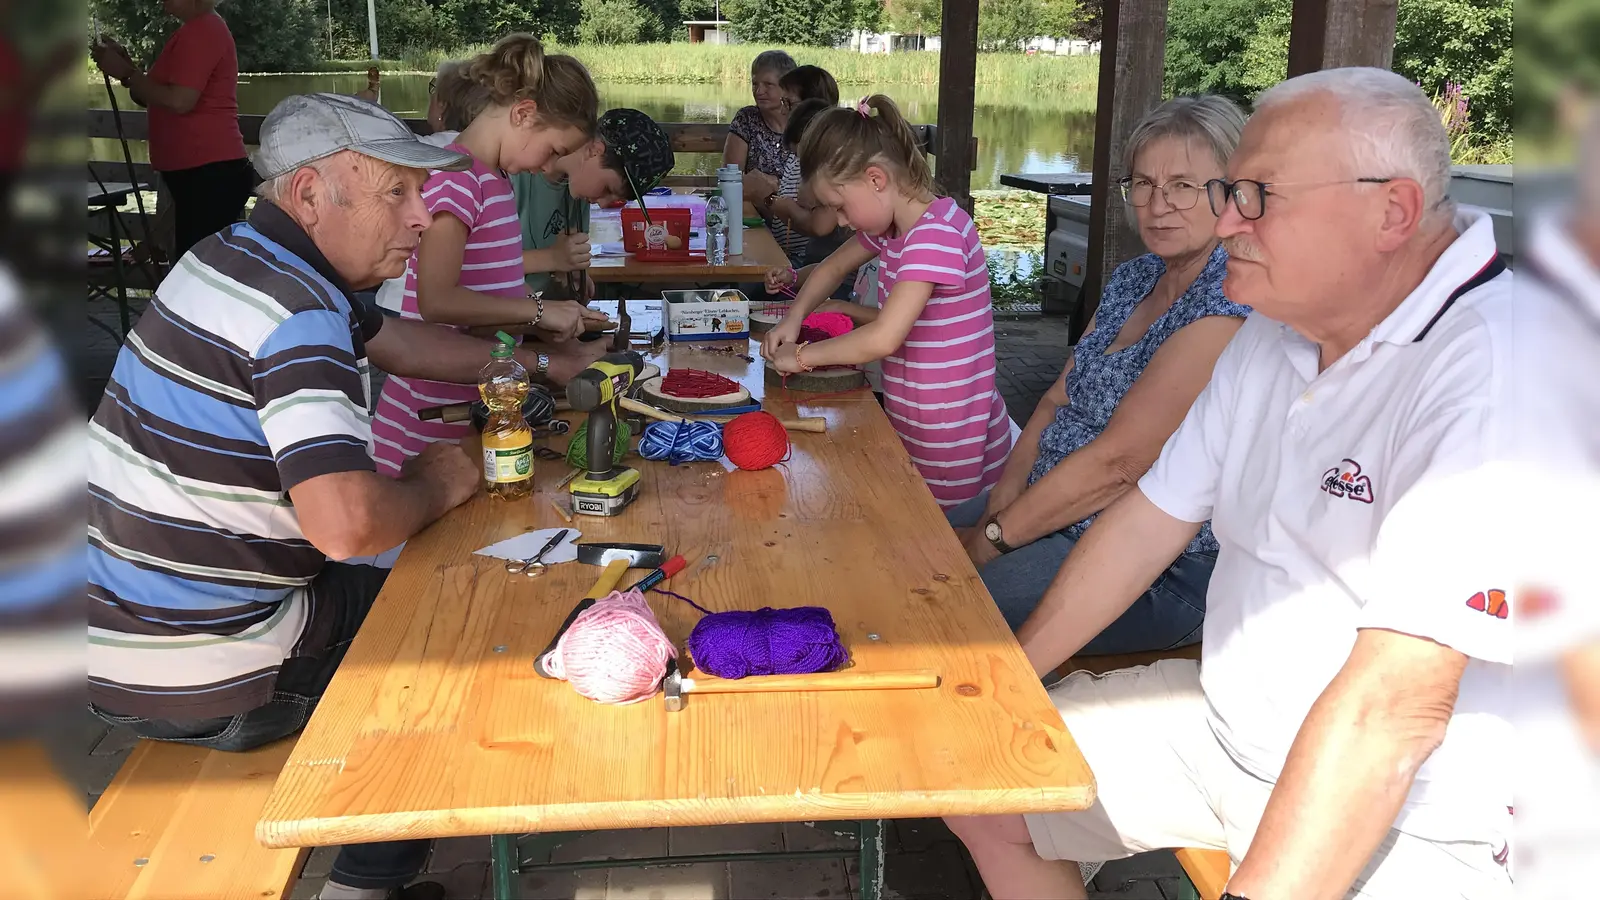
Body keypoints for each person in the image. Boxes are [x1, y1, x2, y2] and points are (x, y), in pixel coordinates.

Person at [945, 67, 1518, 900]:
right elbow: (1145, 524)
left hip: (1419, 811)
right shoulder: (1275, 330)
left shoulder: (1499, 371)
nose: (1225, 221)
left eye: (1254, 194)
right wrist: (1013, 681)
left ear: (1391, 211)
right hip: (1226, 727)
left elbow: (1395, 709)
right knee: (979, 772)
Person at [86, 92, 557, 900]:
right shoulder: (297, 314)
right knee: (466, 641)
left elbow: (399, 342)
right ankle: (363, 888)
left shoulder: (235, 256)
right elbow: (344, 527)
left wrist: (519, 369)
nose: (421, 217)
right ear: (310, 194)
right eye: (396, 194)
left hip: (121, 635)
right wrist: (436, 479)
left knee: (419, 593)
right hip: (208, 670)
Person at [946, 95, 1250, 642]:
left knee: (936, 603)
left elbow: (1121, 464)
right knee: (900, 541)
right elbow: (1054, 400)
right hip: (1046, 509)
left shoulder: (1229, 301)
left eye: (1183, 185)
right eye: (1143, 184)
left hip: (1153, 563)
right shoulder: (1136, 277)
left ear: (1231, 193)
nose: (1158, 205)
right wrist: (1001, 501)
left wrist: (992, 539)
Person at [372, 33, 609, 476]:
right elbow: (437, 302)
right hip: (426, 424)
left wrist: (544, 320)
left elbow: (484, 297)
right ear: (523, 113)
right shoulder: (457, 180)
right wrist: (537, 313)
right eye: (553, 150)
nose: (546, 166)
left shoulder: (494, 181)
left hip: (477, 403)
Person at [762, 95, 1013, 509]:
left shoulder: (936, 235)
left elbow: (884, 338)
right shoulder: (894, 229)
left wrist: (803, 356)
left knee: (939, 536)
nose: (840, 221)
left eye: (840, 207)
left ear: (876, 179)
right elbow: (830, 269)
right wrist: (794, 317)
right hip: (917, 412)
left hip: (951, 429)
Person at [90, 0, 251, 261]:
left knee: (197, 274)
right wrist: (126, 67)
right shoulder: (195, 30)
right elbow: (151, 95)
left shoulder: (203, 30)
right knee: (190, 268)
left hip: (209, 173)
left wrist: (127, 73)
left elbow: (180, 101)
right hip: (199, 174)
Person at [510, 107, 675, 298]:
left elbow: (559, 262)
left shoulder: (576, 192)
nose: (604, 204)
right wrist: (553, 259)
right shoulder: (515, 172)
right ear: (596, 151)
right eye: (608, 189)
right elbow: (475, 265)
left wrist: (568, 273)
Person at [724, 49, 795, 178]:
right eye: (755, 83)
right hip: (751, 198)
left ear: (787, 87)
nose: (759, 91)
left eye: (768, 84)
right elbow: (731, 178)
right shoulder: (746, 119)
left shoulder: (803, 121)